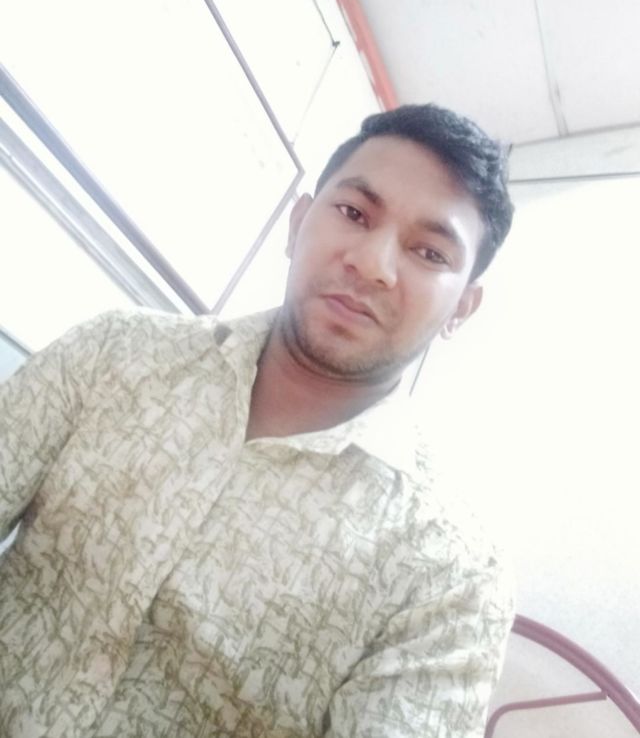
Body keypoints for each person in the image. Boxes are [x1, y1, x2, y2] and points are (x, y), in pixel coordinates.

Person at [0, 104, 514, 737]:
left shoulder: (450, 573)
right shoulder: (117, 351)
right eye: (354, 213)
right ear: (298, 223)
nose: (373, 264)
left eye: (429, 252)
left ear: (461, 308)